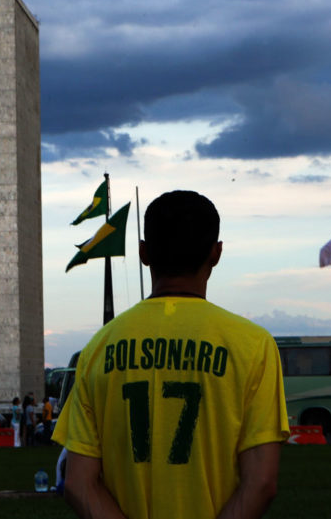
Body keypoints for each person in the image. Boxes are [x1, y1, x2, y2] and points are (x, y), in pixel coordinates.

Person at [52, 190, 290, 519]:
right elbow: (261, 483)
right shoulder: (254, 345)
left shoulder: (98, 348)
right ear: (216, 253)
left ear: (143, 252)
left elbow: (78, 483)